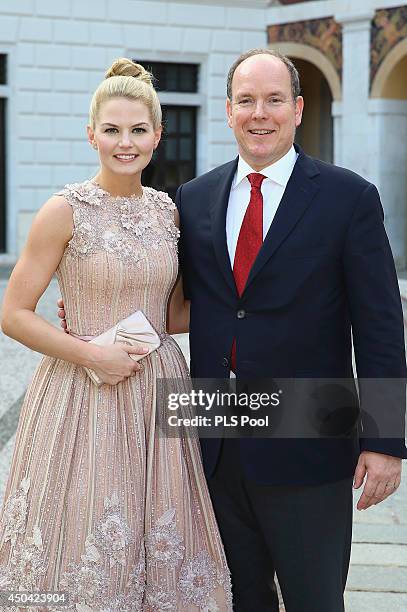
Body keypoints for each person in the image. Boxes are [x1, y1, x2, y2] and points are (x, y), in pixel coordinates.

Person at [174, 49, 406, 611]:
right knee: (236, 600)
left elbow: (379, 323)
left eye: (275, 100)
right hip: (215, 439)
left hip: (309, 440)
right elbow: (179, 301)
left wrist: (384, 442)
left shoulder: (349, 197)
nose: (261, 113)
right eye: (247, 101)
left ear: (298, 109)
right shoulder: (194, 198)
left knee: (314, 600)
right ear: (228, 111)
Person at [0, 58, 232, 611]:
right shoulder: (64, 211)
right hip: (81, 392)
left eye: (137, 130)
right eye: (112, 130)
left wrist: (266, 302)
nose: (124, 143)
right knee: (85, 533)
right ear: (91, 134)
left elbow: (173, 313)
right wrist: (90, 354)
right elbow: (12, 312)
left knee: (163, 528)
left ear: (157, 134)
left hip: (160, 390)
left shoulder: (169, 215)